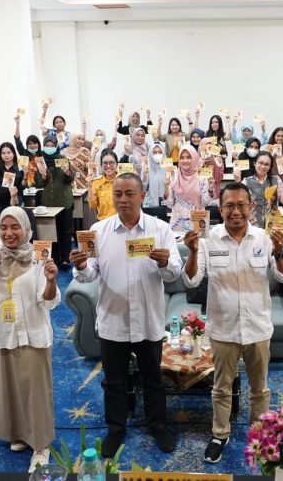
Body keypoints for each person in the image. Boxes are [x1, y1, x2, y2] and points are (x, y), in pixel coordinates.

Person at [70, 173, 183, 457]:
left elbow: (174, 273)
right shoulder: (98, 230)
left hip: (147, 319)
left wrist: (165, 262)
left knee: (153, 379)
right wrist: (81, 266)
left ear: (142, 196)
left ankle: (158, 425)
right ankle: (115, 429)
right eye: (118, 194)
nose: (123, 200)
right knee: (114, 381)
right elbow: (89, 275)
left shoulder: (160, 229)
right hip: (114, 319)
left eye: (129, 194)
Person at [181, 182, 283, 463]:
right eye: (229, 206)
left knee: (260, 388)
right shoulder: (207, 240)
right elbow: (192, 280)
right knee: (221, 387)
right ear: (220, 209)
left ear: (251, 207)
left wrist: (280, 252)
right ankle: (220, 434)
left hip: (257, 327)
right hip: (223, 328)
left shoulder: (264, 238)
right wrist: (192, 251)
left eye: (241, 205)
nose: (235, 211)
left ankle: (259, 433)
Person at [0, 207, 60, 473]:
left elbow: (47, 300)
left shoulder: (39, 258)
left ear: (26, 229)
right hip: (2, 334)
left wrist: (51, 280)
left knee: (35, 391)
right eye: (3, 227)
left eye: (15, 227)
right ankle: (19, 433)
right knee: (9, 388)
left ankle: (40, 445)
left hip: (32, 333)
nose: (9, 233)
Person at [33, 137, 75, 267]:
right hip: (49, 203)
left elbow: (71, 178)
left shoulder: (62, 159)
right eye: (47, 145)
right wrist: (43, 176)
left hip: (64, 201)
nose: (49, 147)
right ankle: (54, 259)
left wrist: (67, 171)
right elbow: (38, 184)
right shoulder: (40, 161)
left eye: (52, 145)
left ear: (56, 146)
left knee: (65, 232)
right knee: (51, 232)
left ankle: (66, 259)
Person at [165, 146, 215, 231]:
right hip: (178, 221)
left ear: (194, 158)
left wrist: (210, 188)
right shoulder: (174, 175)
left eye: (188, 157)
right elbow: (170, 204)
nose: (185, 161)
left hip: (198, 220)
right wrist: (166, 187)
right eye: (182, 158)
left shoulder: (201, 176)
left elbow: (205, 203)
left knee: (198, 239)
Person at [238, 151, 283, 228]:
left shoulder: (276, 180)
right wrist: (237, 181)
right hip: (252, 225)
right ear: (254, 163)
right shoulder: (246, 182)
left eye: (267, 164)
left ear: (270, 166)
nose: (263, 166)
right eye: (260, 163)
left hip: (272, 224)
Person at [88, 149, 119, 220]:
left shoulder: (124, 181)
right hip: (103, 222)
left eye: (111, 163)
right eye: (105, 163)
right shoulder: (97, 182)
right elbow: (92, 205)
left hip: (121, 222)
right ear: (101, 165)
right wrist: (89, 186)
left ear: (117, 164)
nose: (108, 166)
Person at [143, 143, 168, 207]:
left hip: (165, 205)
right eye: (155, 152)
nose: (157, 154)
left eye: (160, 152)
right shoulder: (146, 169)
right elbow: (143, 190)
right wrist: (145, 177)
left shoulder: (168, 169)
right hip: (150, 206)